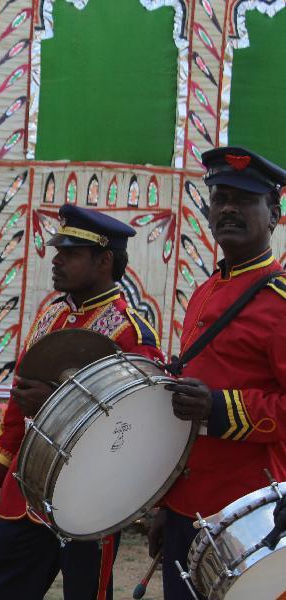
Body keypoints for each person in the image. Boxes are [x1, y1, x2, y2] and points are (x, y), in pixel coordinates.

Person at [0, 204, 165, 599]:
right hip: (21, 493)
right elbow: (16, 409)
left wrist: (57, 404)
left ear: (105, 260)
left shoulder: (133, 334)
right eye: (57, 252)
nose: (56, 262)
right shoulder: (49, 317)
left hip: (91, 497)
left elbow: (138, 427)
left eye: (70, 254)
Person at [149, 146, 285, 599]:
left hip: (248, 515)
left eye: (244, 199)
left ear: (274, 215)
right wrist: (167, 507)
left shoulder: (279, 303)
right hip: (187, 509)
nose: (228, 208)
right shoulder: (205, 292)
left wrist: (221, 407)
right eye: (220, 197)